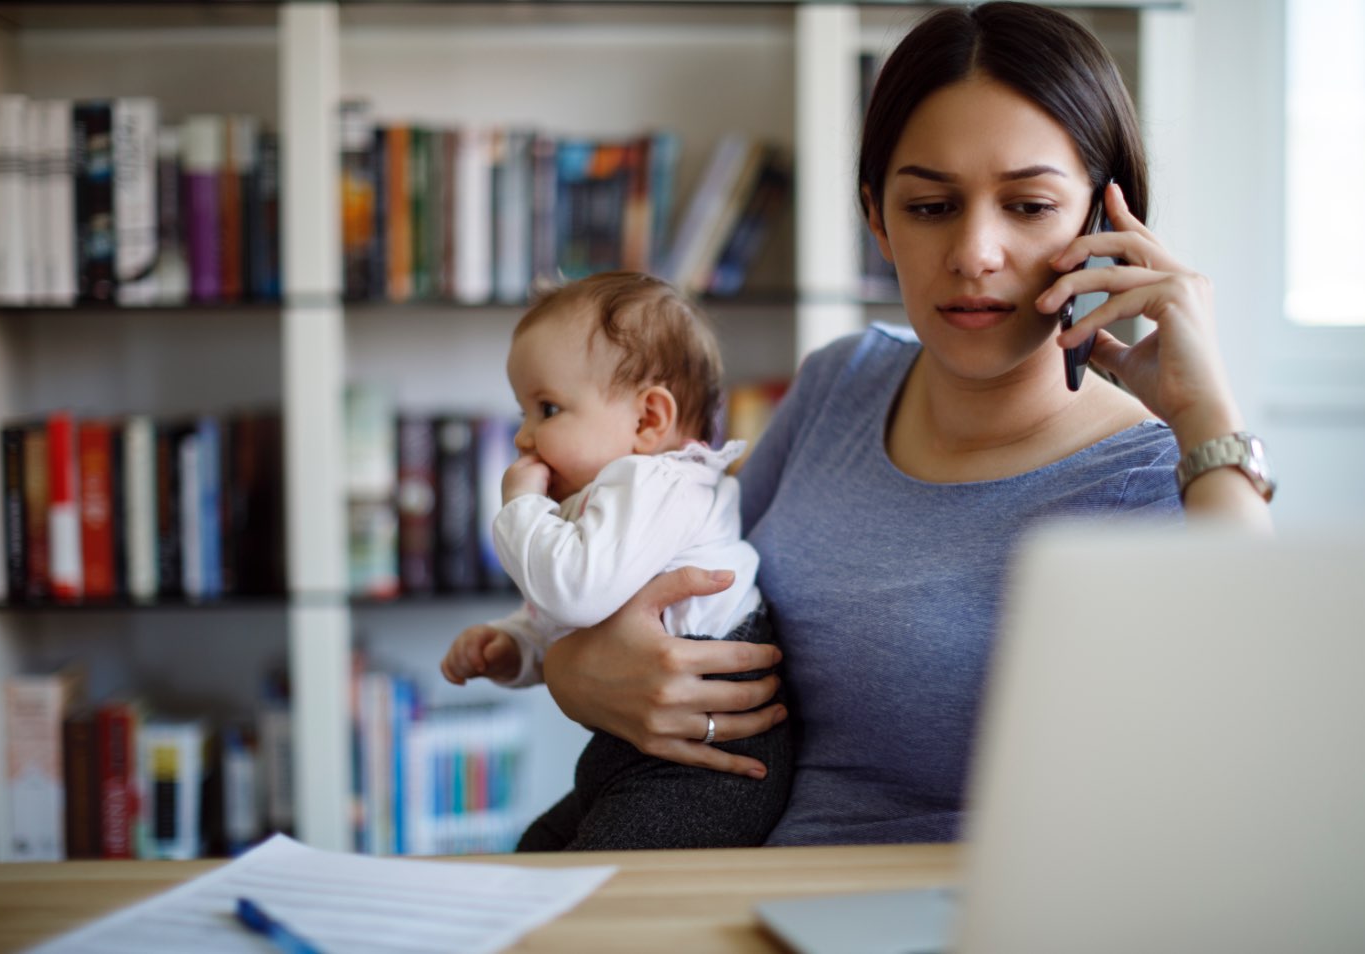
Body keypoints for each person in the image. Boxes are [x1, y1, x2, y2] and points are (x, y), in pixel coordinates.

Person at [500, 2, 1275, 847]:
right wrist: (574, 671)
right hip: (740, 893)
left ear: (1101, 220)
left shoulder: (1169, 471)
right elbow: (674, 580)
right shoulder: (843, 381)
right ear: (878, 217)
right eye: (932, 207)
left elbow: (1257, 746)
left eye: (1028, 206)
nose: (976, 252)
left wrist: (1208, 419)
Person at [439, 270, 792, 850]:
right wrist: (518, 645)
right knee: (537, 851)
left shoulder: (657, 482)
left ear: (648, 420)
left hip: (705, 767)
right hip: (639, 749)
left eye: (547, 409)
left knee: (598, 888)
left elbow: (576, 591)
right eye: (524, 412)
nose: (524, 437)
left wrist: (521, 505)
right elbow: (584, 617)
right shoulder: (617, 495)